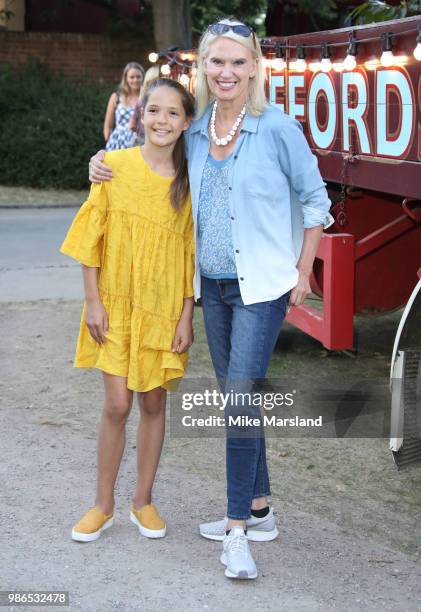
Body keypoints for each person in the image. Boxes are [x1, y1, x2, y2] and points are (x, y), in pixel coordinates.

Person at [88, 18, 333, 579]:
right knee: (235, 396)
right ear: (203, 68)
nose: (226, 72)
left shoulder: (277, 129)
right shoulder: (195, 133)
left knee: (240, 401)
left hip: (262, 287)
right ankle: (261, 508)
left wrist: (303, 270)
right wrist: (100, 166)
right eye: (216, 62)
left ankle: (236, 533)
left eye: (237, 62)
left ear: (254, 68)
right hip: (213, 290)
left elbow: (316, 202)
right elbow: (148, 170)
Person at [60, 79, 196, 543]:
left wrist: (185, 317)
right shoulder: (113, 167)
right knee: (117, 404)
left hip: (161, 309)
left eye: (173, 113)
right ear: (140, 116)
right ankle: (103, 505)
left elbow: (189, 255)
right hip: (114, 304)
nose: (162, 120)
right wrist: (92, 302)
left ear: (186, 122)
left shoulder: (190, 181)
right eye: (154, 110)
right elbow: (90, 240)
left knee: (154, 401)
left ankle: (143, 501)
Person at [103, 62, 145, 151]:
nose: (135, 80)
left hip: (139, 142)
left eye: (138, 77)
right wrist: (109, 140)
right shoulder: (116, 97)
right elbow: (108, 126)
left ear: (143, 78)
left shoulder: (146, 98)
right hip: (117, 142)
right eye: (132, 77)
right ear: (126, 78)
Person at [128, 65, 160, 145]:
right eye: (153, 84)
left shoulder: (141, 101)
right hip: (144, 139)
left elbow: (132, 124)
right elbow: (132, 124)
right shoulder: (141, 102)